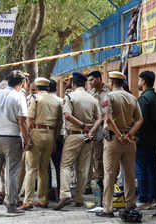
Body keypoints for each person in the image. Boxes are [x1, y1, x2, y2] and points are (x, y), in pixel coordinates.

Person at [96, 71, 143, 218]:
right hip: (129, 142)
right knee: (129, 175)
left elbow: (108, 120)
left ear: (111, 82)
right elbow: (140, 120)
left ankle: (108, 209)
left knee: (110, 175)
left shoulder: (108, 97)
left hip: (113, 141)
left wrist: (119, 136)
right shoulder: (132, 97)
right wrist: (128, 135)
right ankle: (130, 205)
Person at [54, 72, 101, 210]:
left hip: (73, 134)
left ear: (73, 84)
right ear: (85, 83)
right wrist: (91, 130)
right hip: (88, 136)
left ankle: (65, 193)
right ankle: (79, 197)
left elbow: (67, 115)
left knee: (66, 165)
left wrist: (81, 125)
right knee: (83, 167)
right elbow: (99, 118)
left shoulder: (69, 97)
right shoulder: (92, 99)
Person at [0, 70, 28, 216]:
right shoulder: (19, 96)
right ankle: (11, 206)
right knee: (12, 174)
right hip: (12, 138)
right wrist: (26, 140)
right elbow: (22, 122)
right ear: (22, 83)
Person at [20, 77, 62, 210]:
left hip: (36, 133)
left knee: (31, 169)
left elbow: (29, 119)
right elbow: (59, 124)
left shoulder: (35, 99)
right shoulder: (56, 101)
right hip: (50, 135)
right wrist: (54, 139)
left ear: (37, 87)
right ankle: (43, 200)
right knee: (44, 169)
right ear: (48, 88)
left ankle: (28, 201)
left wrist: (27, 139)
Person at [135, 71, 156, 209]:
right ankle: (153, 198)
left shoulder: (144, 99)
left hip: (144, 139)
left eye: (139, 80)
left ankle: (143, 198)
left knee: (141, 168)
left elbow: (141, 122)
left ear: (144, 81)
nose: (138, 82)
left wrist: (134, 136)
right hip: (155, 139)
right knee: (152, 167)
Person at [86, 71, 110, 197]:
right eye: (88, 80)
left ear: (99, 79)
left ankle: (109, 183)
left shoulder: (109, 91)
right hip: (95, 129)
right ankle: (100, 183)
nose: (90, 83)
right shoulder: (90, 94)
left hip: (108, 127)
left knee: (107, 158)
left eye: (92, 80)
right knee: (97, 157)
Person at [48, 79, 65, 200]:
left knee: (45, 166)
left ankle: (47, 192)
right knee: (59, 165)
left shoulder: (39, 100)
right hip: (59, 135)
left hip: (44, 134)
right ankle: (60, 192)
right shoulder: (61, 101)